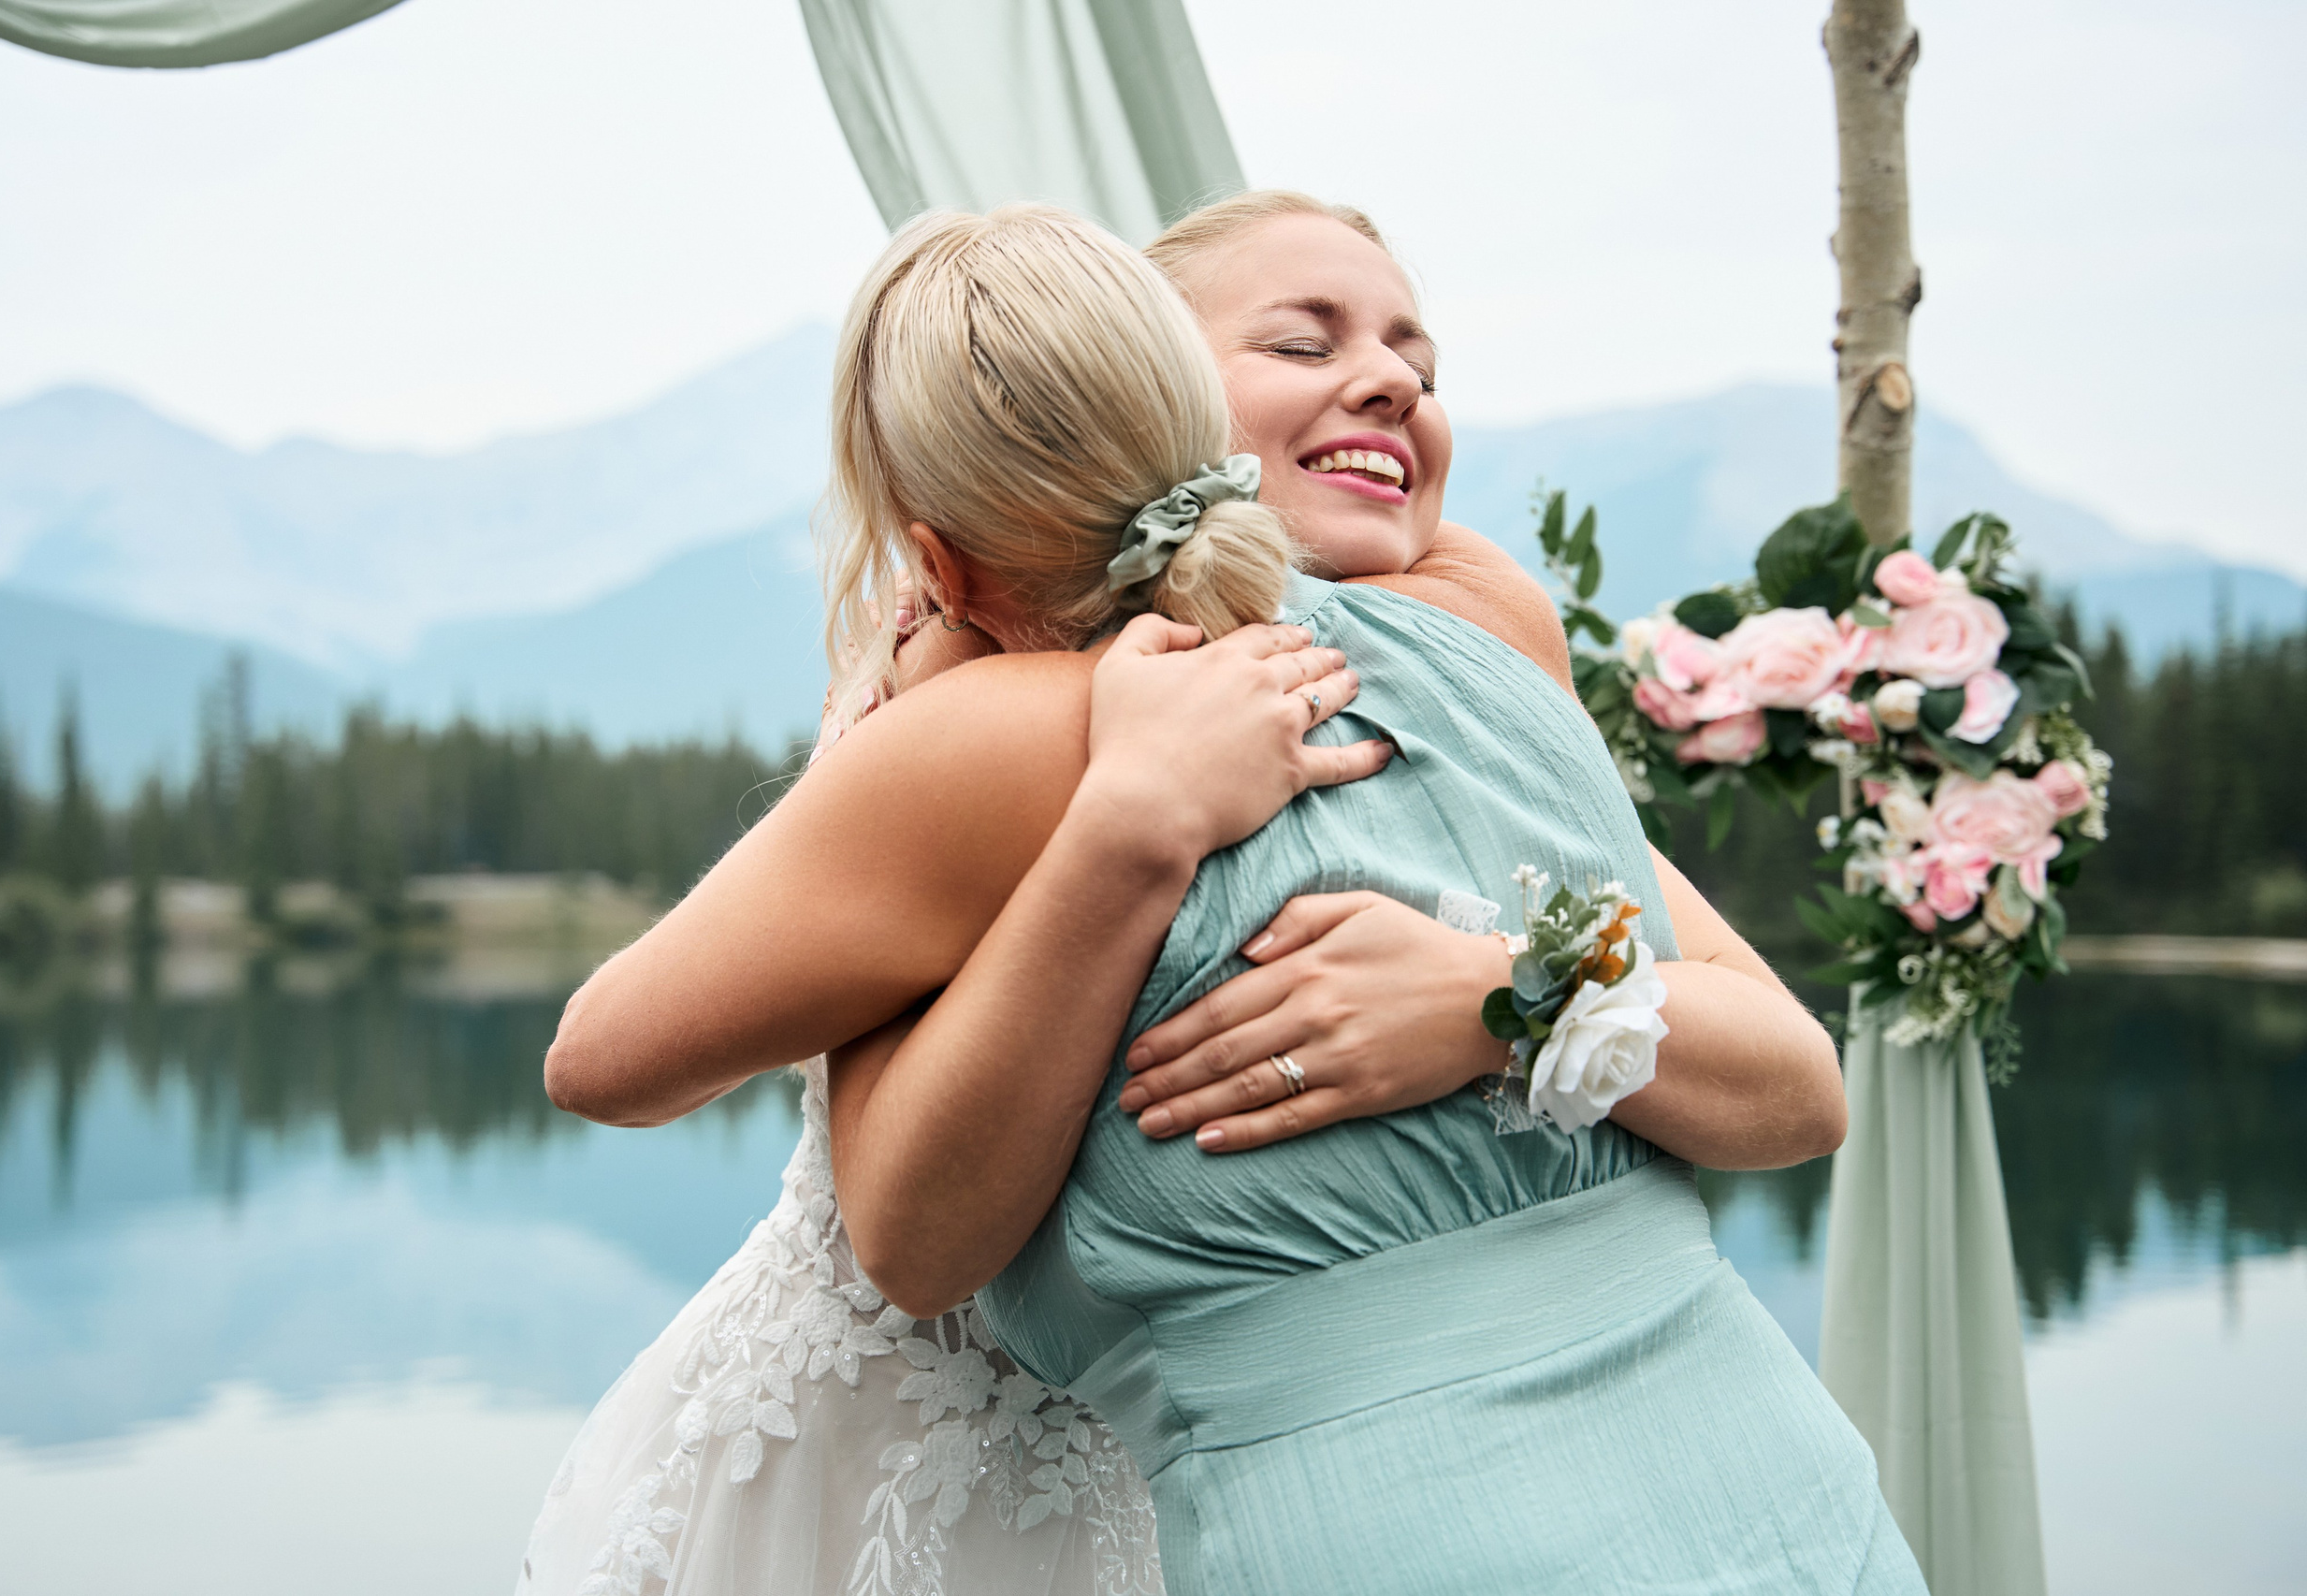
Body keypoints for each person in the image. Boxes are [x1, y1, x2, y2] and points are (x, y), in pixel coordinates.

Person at [521, 196, 1907, 1594]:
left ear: (939, 556)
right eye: (1305, 341)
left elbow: (628, 1072)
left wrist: (1498, 995)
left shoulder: (1466, 637)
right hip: (1777, 1501)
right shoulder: (1458, 642)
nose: (1391, 381)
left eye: (1421, 367)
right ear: (1170, 391)